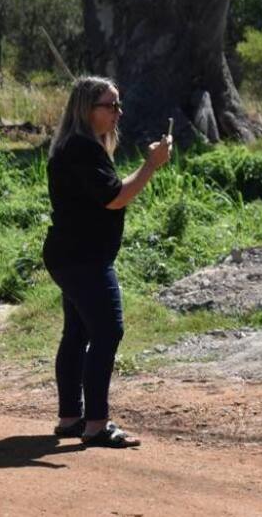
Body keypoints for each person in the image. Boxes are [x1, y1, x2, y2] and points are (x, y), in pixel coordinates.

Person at [44, 76, 173, 448]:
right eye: (110, 105)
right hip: (84, 258)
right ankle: (96, 423)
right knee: (107, 331)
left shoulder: (73, 146)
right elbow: (115, 198)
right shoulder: (82, 149)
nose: (119, 112)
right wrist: (151, 165)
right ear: (88, 109)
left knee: (78, 333)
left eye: (117, 105)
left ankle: (71, 417)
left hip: (69, 254)